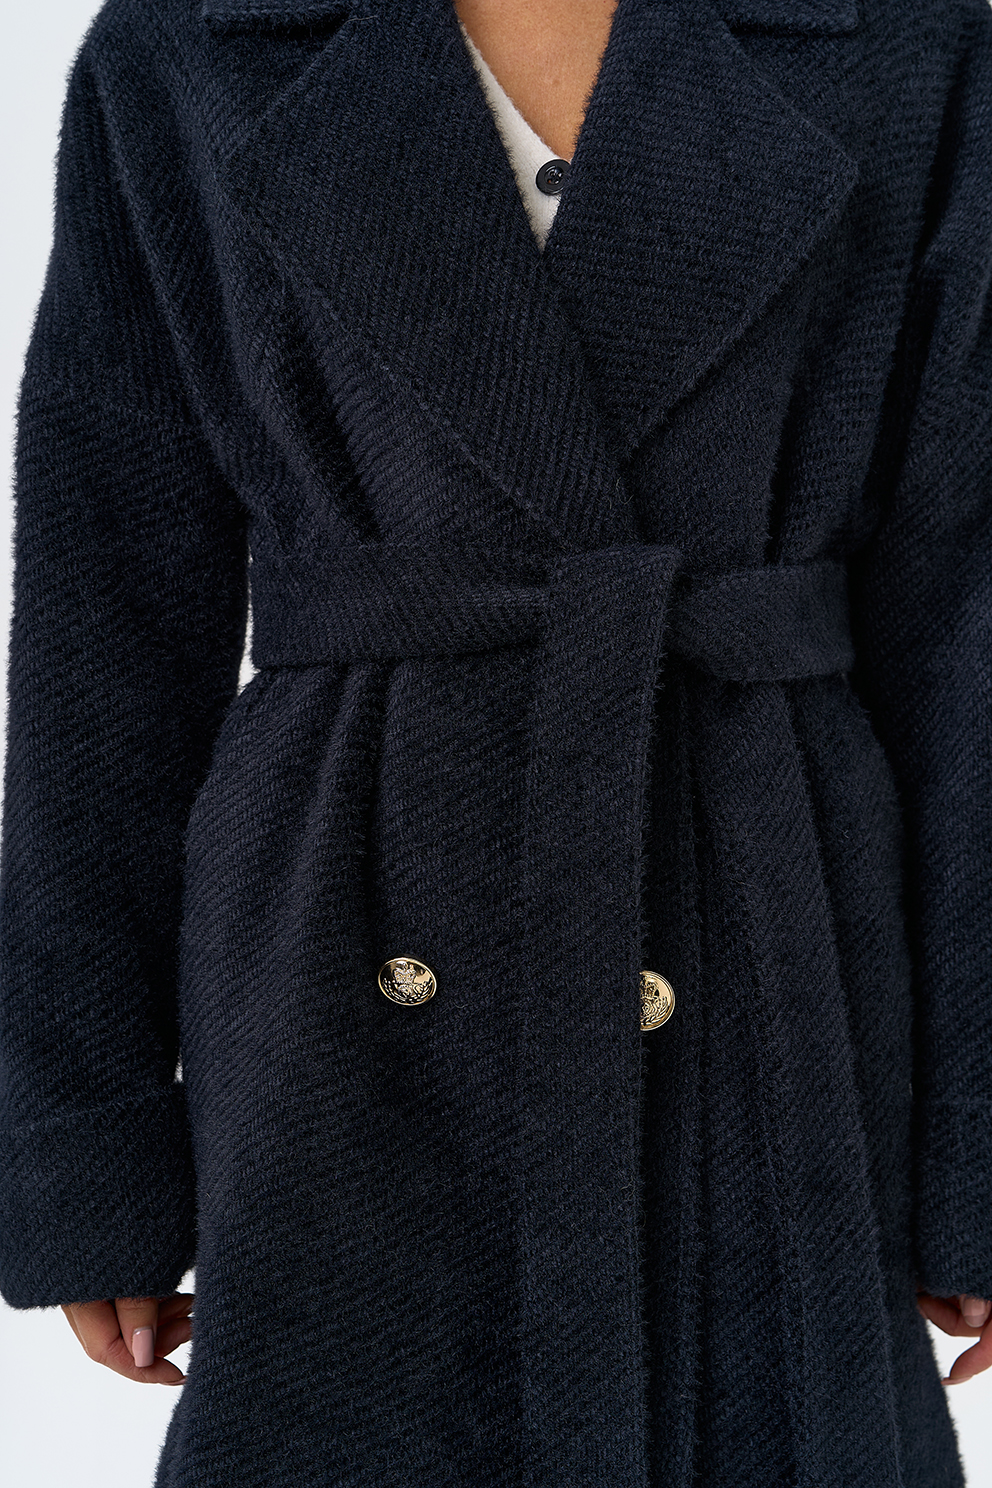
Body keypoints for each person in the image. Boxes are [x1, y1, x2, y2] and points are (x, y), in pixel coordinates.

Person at [1, 0, 991, 1483]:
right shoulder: (186, 50)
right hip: (339, 952)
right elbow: (106, 628)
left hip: (772, 934)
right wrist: (91, 1146)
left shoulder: (918, 47)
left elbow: (967, 616)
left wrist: (977, 1141)